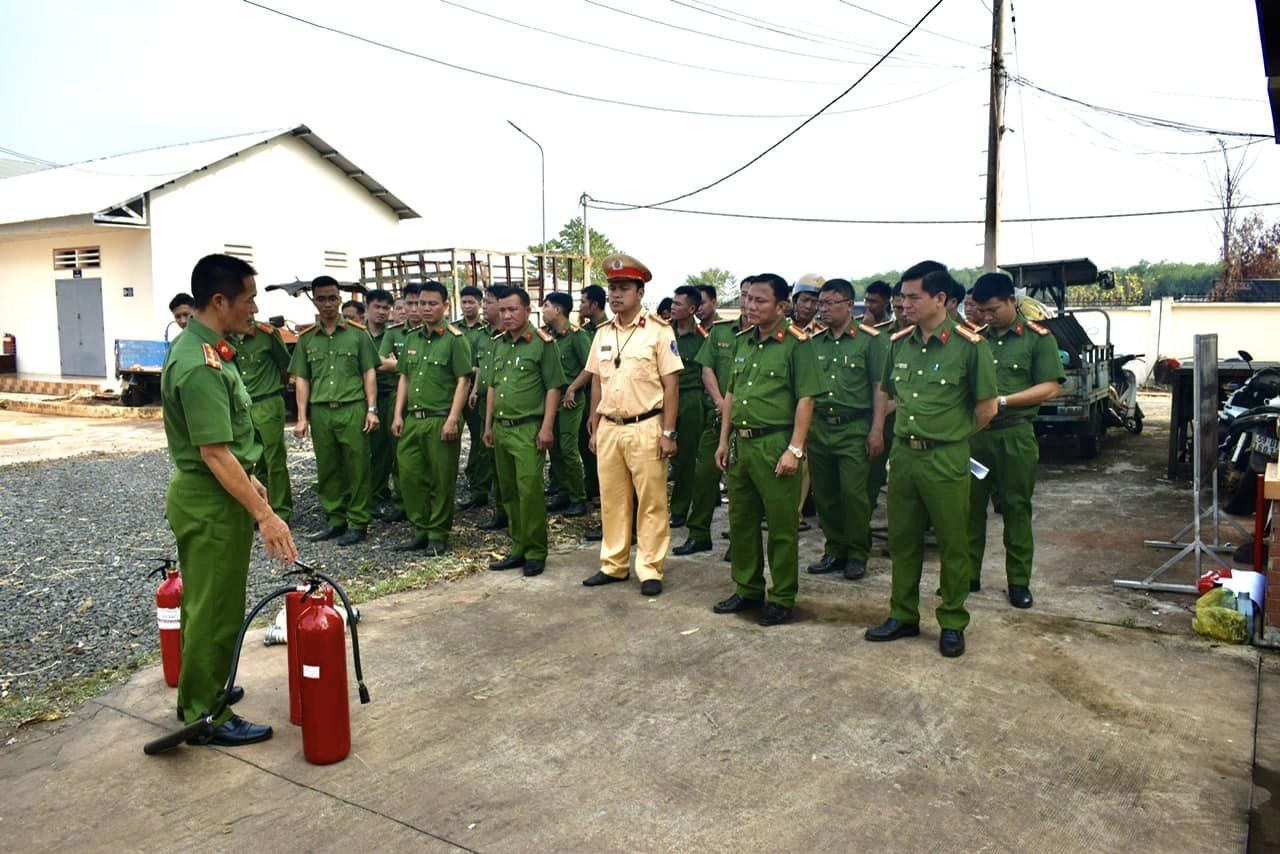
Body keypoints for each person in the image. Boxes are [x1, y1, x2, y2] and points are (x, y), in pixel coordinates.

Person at [162, 253, 296, 746]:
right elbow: (215, 453)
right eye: (248, 298)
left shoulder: (211, 350)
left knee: (210, 604)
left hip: (217, 495)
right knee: (214, 609)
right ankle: (205, 714)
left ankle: (205, 691)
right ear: (219, 301)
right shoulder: (199, 363)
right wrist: (266, 516)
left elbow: (228, 448)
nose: (254, 308)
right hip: (210, 502)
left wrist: (254, 485)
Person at [865, 263, 998, 658]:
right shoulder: (898, 343)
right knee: (903, 542)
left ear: (940, 299)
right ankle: (902, 614)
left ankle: (953, 620)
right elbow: (889, 396)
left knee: (953, 544)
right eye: (902, 297)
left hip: (946, 459)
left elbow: (987, 409)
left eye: (913, 297)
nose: (904, 305)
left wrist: (951, 436)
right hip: (904, 457)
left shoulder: (970, 346)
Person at [713, 274, 827, 626]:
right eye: (748, 300)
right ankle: (747, 588)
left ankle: (781, 597)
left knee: (781, 527)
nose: (751, 307)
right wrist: (723, 440)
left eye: (761, 301)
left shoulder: (797, 344)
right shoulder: (743, 341)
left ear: (782, 306)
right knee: (741, 522)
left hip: (775, 443)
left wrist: (794, 449)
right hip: (741, 446)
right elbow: (730, 394)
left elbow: (806, 398)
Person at [581, 254, 681, 596]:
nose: (615, 295)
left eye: (624, 288)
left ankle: (651, 568)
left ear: (640, 292)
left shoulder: (658, 331)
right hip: (610, 426)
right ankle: (614, 564)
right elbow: (596, 381)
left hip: (646, 426)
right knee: (612, 499)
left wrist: (668, 433)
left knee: (651, 501)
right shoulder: (602, 334)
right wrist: (594, 423)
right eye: (612, 288)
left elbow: (671, 385)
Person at [968, 272, 1064, 608]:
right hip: (976, 439)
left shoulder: (1037, 338)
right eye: (981, 311)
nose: (987, 316)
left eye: (993, 309)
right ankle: (968, 575)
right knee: (968, 509)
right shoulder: (975, 339)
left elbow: (1051, 386)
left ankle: (1019, 582)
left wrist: (1004, 401)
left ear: (1012, 300)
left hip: (1015, 435)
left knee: (1016, 509)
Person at [805, 278, 888, 581]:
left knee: (854, 495)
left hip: (854, 427)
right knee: (825, 495)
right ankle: (834, 550)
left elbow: (881, 387)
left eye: (829, 303)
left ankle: (857, 553)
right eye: (820, 303)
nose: (822, 309)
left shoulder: (871, 340)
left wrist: (877, 429)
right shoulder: (814, 342)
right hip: (820, 428)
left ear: (849, 305)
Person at [290, 275, 380, 546]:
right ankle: (335, 520)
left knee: (357, 466)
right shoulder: (307, 339)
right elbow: (302, 379)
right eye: (321, 299)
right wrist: (302, 417)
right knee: (327, 467)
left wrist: (372, 409)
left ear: (340, 300)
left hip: (352, 408)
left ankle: (357, 522)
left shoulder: (357, 334)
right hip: (321, 412)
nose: (327, 304)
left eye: (332, 298)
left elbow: (369, 373)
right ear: (315, 301)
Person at [485, 287, 565, 576]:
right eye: (502, 310)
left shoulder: (543, 343)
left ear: (527, 311)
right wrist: (488, 425)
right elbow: (492, 386)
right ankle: (517, 547)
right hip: (502, 427)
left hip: (528, 429)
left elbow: (553, 387)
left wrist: (546, 428)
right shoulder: (499, 343)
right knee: (509, 493)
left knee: (529, 491)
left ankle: (535, 551)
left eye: (512, 310)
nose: (506, 315)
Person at [390, 281, 472, 554]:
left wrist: (452, 419)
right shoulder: (412, 338)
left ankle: (438, 534)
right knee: (410, 476)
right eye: (420, 303)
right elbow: (404, 377)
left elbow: (463, 381)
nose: (425, 308)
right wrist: (398, 414)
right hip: (413, 419)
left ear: (445, 306)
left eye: (431, 303)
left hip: (440, 419)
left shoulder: (455, 339)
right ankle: (420, 529)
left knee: (441, 478)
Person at [676, 276, 751, 557]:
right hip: (716, 418)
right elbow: (706, 368)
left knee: (742, 486)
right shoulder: (721, 332)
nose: (747, 302)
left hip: (750, 422)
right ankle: (699, 533)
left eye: (753, 297)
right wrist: (721, 402)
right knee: (704, 475)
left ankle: (739, 540)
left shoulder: (771, 337)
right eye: (744, 295)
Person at [231, 315, 293, 523]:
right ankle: (258, 509)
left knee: (274, 458)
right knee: (249, 459)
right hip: (242, 406)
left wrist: (275, 391)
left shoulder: (267, 334)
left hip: (268, 402)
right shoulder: (226, 336)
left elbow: (285, 366)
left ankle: (281, 511)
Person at [375, 283, 424, 523]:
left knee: (427, 454)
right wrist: (411, 366)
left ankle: (427, 503)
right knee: (400, 453)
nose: (414, 309)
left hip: (428, 398)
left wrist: (399, 364)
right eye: (410, 303)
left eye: (419, 303)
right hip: (398, 398)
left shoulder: (437, 333)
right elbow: (381, 362)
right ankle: (403, 502)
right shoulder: (394, 333)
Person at [542, 291, 592, 518]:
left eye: (546, 306)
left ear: (558, 310)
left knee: (569, 448)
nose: (543, 310)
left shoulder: (576, 335)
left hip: (572, 400)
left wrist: (572, 388)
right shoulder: (548, 337)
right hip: (552, 399)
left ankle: (578, 498)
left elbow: (590, 367)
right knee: (555, 449)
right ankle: (563, 492)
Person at [668, 285, 708, 529]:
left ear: (692, 309)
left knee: (686, 459)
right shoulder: (663, 333)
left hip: (691, 400)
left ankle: (680, 509)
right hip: (662, 398)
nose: (673, 307)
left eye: (679, 304)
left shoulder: (702, 338)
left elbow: (707, 372)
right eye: (672, 303)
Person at [471, 286, 507, 530]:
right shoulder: (483, 335)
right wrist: (475, 390)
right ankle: (499, 510)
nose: (484, 306)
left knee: (506, 464)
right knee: (489, 456)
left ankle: (509, 513)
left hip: (508, 406)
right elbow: (481, 368)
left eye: (489, 302)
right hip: (485, 401)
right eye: (484, 301)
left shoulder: (512, 335)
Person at [457, 285, 494, 513]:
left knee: (481, 440)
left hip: (477, 391)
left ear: (480, 304)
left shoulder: (486, 331)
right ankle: (470, 480)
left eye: (472, 302)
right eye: (464, 302)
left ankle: (480, 487)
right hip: (456, 391)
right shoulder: (454, 330)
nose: (468, 306)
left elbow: (483, 364)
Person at [364, 289, 399, 519]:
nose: (382, 312)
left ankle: (391, 495)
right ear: (367, 308)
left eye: (386, 308)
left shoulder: (394, 335)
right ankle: (373, 496)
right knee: (371, 450)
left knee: (393, 450)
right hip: (365, 400)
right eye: (377, 307)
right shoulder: (359, 336)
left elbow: (402, 366)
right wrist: (387, 363)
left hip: (391, 396)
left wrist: (367, 363)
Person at [577, 284, 609, 510]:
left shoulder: (607, 330)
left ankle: (601, 491)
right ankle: (591, 486)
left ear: (594, 304)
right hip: (587, 397)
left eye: (582, 302)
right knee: (585, 444)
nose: (580, 306)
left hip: (605, 398)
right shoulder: (587, 331)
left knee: (602, 449)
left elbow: (593, 370)